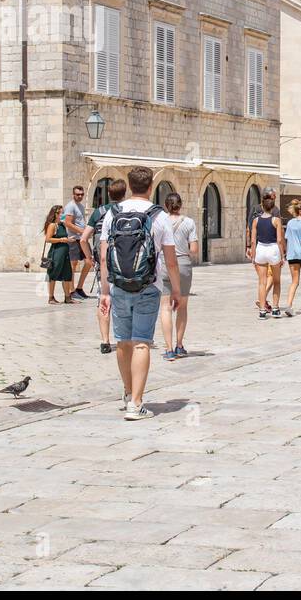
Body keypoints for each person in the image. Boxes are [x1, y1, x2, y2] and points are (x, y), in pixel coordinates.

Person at [98, 165, 182, 421]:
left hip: (119, 285)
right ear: (151, 186)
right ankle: (136, 403)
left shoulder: (113, 213)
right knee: (142, 341)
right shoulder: (159, 216)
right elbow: (171, 260)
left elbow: (103, 256)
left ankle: (127, 393)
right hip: (148, 286)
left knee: (123, 341)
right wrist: (176, 290)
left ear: (129, 185)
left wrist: (104, 292)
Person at [81, 179, 127, 353]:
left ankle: (105, 341)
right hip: (125, 263)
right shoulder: (127, 210)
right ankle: (124, 338)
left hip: (104, 263)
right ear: (124, 194)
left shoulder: (99, 212)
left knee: (103, 299)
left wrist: (88, 258)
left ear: (109, 194)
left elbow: (83, 239)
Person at [157, 192, 199, 360]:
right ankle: (179, 345)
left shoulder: (160, 221)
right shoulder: (188, 222)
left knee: (165, 307)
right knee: (182, 306)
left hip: (163, 264)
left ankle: (168, 349)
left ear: (166, 205)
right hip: (182, 264)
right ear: (180, 205)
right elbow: (194, 250)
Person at [246, 187, 281, 313]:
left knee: (265, 278)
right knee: (272, 277)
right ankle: (264, 299)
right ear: (267, 197)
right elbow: (249, 227)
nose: (275, 198)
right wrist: (249, 247)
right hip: (270, 248)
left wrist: (250, 247)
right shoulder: (272, 210)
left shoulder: (261, 210)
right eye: (273, 196)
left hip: (259, 249)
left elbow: (250, 228)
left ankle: (262, 303)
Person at [281, 199, 301, 317]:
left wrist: (284, 254)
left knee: (294, 282)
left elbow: (287, 239)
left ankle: (289, 306)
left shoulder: (290, 223)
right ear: (300, 210)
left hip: (292, 255)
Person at [62, 185, 91, 301]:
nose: (80, 196)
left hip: (82, 239)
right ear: (73, 194)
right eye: (78, 194)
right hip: (74, 238)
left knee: (89, 261)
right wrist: (82, 231)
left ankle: (79, 288)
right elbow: (67, 223)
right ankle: (72, 290)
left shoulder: (81, 206)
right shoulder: (70, 206)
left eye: (82, 194)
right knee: (72, 265)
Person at [43, 204, 74, 304]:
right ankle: (51, 298)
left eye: (63, 212)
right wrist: (61, 239)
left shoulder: (61, 225)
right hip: (56, 253)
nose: (62, 214)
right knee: (53, 274)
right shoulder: (53, 225)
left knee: (67, 274)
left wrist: (68, 239)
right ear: (55, 214)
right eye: (61, 212)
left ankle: (67, 297)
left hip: (64, 253)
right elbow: (48, 239)